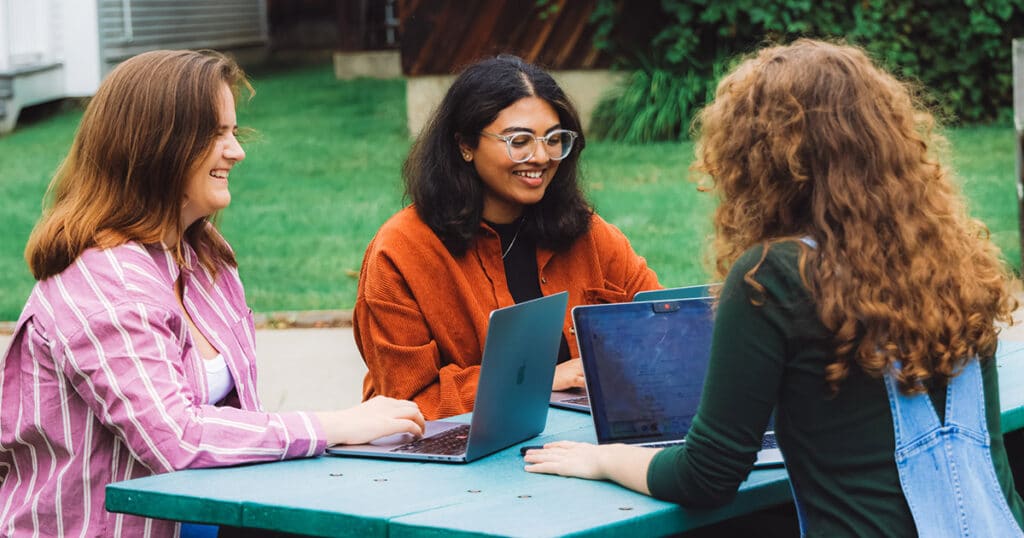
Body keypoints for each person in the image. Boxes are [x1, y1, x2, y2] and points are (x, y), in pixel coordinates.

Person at [523, 39, 1024, 536]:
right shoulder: (951, 257)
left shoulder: (775, 274)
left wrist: (603, 459)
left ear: (756, 157)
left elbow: (707, 475)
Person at [0, 50, 424, 537]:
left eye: (234, 134)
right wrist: (333, 426)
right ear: (155, 146)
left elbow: (232, 428)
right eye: (216, 135)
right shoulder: (104, 281)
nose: (237, 151)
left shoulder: (203, 258)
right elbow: (174, 438)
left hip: (198, 519)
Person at [354, 55, 660, 420]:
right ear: (465, 144)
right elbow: (408, 402)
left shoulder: (590, 236)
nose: (541, 156)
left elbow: (662, 331)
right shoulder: (400, 251)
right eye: (519, 140)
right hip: (446, 463)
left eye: (554, 139)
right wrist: (540, 380)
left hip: (579, 446)